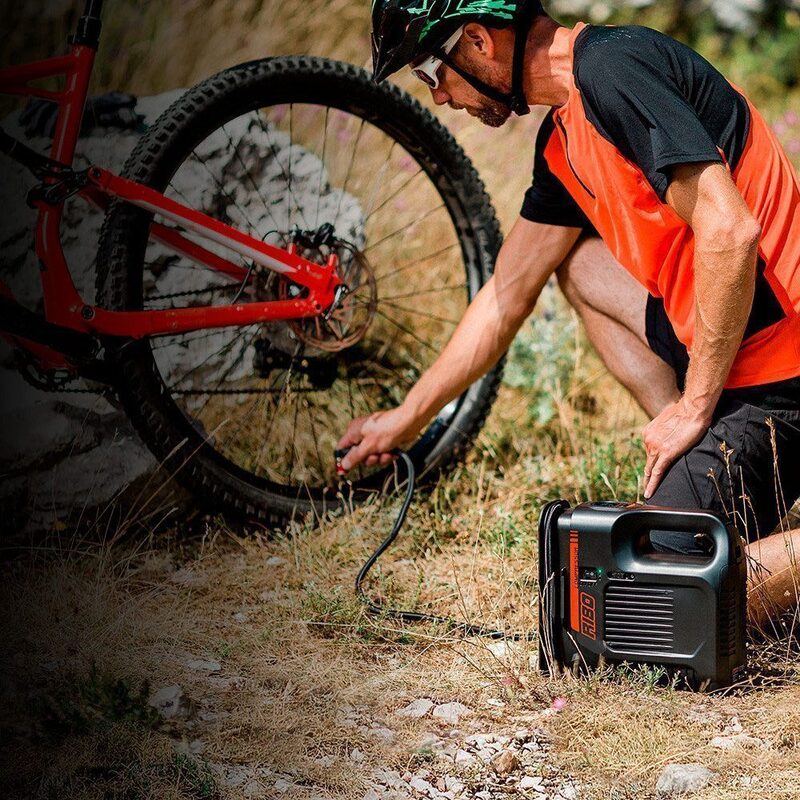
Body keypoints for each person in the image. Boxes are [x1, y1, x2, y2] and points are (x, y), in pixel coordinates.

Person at [337, 0, 800, 629]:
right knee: (577, 263)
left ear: (477, 41)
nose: (440, 97)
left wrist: (695, 406)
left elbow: (730, 231)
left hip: (783, 373)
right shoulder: (563, 137)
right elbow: (506, 293)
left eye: (430, 73)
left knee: (657, 599)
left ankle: (702, 459)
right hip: (727, 349)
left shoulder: (613, 71)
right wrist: (403, 419)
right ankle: (687, 464)